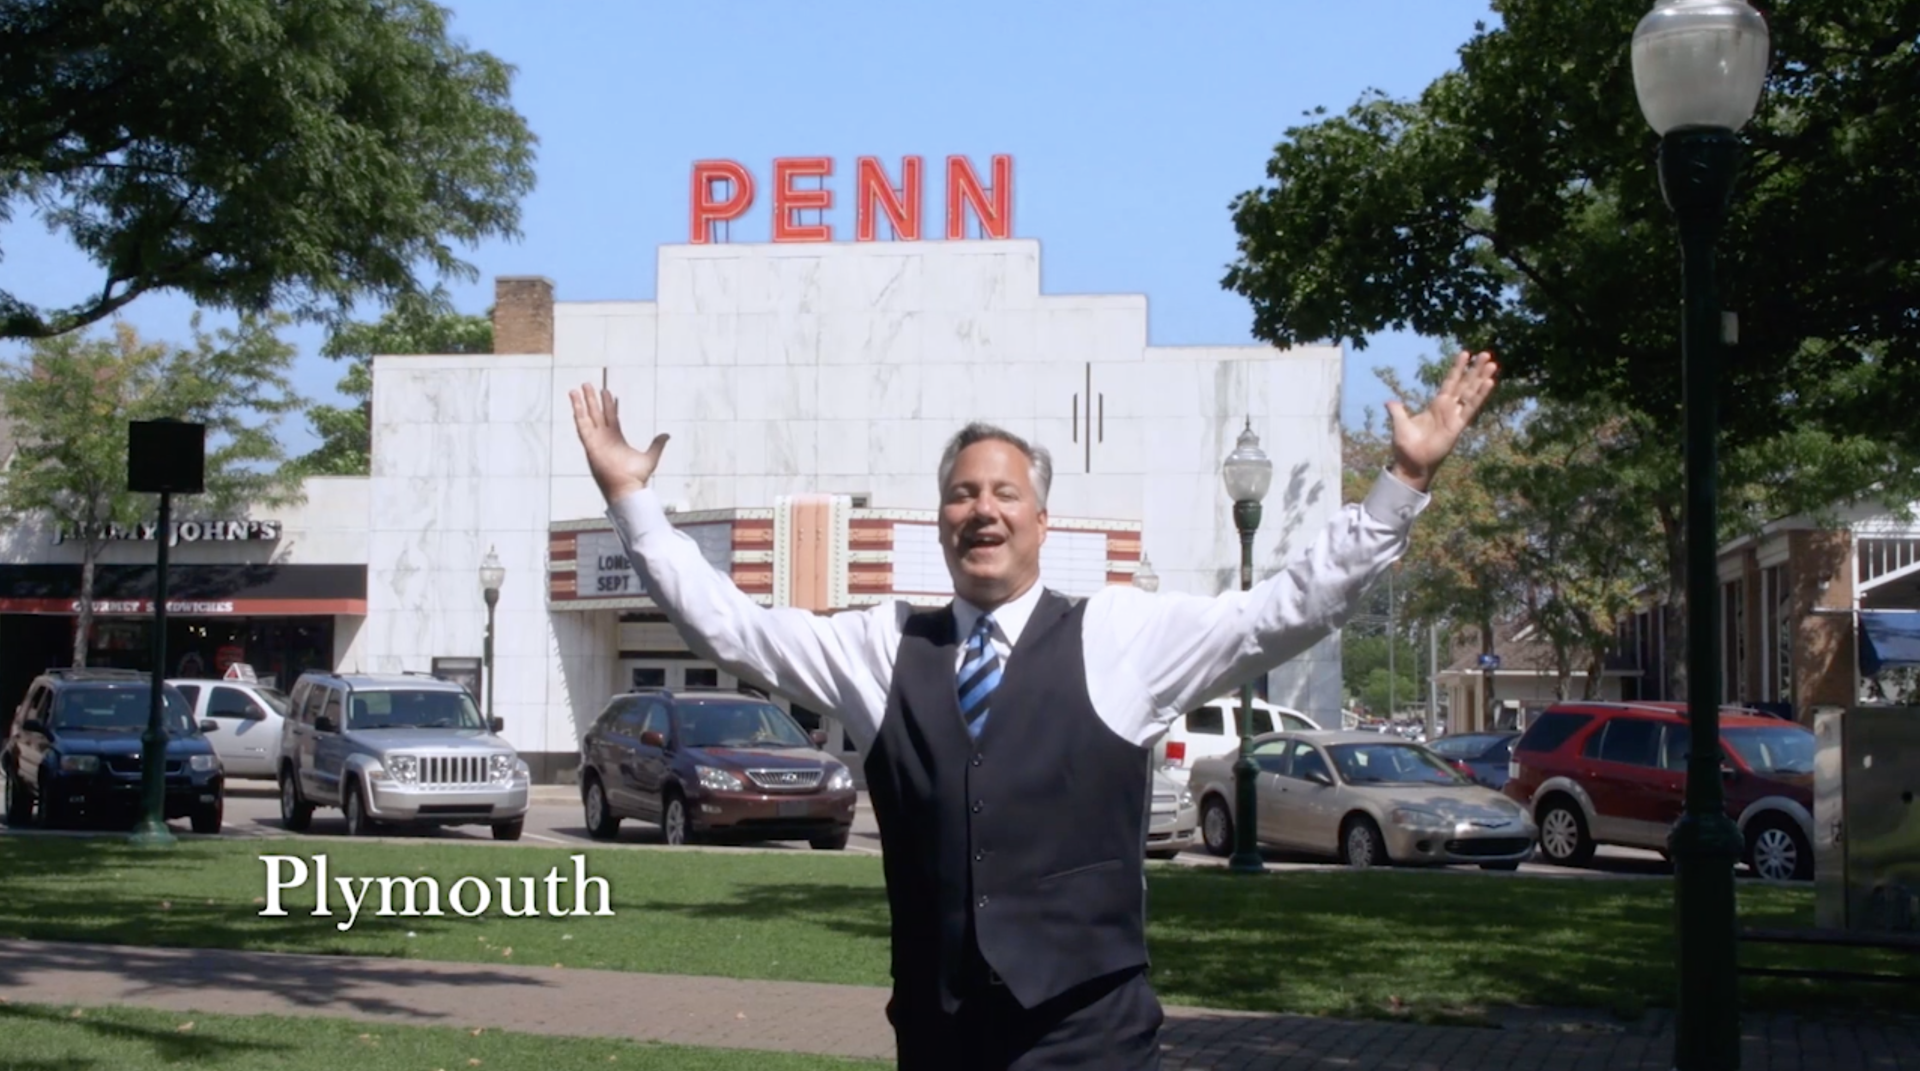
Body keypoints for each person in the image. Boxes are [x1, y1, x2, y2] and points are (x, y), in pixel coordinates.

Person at [569, 351, 1498, 1070]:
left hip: (1087, 1031)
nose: (983, 510)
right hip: (938, 1035)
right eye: (962, 494)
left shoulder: (1122, 637)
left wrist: (1401, 484)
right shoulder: (881, 647)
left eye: (1004, 493)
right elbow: (731, 627)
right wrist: (629, 496)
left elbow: (1287, 606)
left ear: (1042, 521)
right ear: (940, 521)